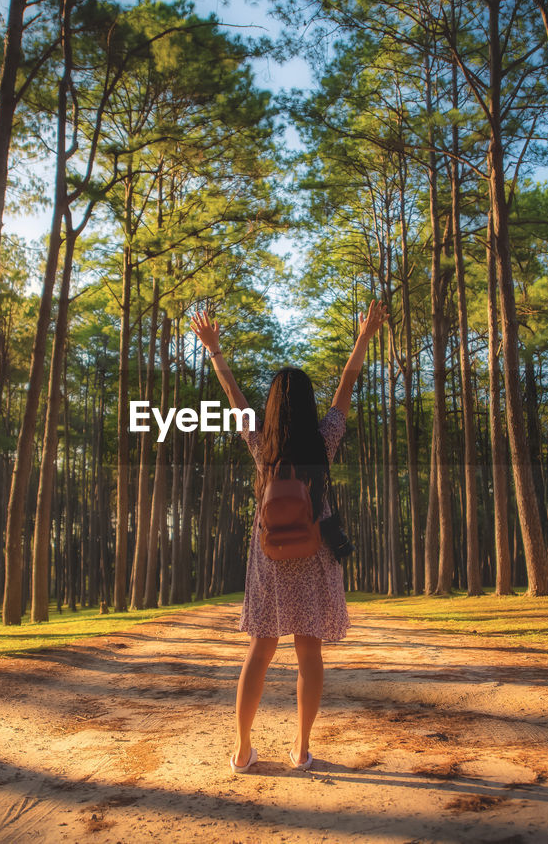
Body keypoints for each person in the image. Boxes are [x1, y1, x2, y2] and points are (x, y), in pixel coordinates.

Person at [188, 300, 388, 775]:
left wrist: (215, 351)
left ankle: (242, 750)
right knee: (308, 650)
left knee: (260, 648)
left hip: (271, 555)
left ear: (274, 405)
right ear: (309, 405)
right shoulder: (325, 439)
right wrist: (362, 337)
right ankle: (300, 749)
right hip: (315, 551)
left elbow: (234, 397)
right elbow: (347, 385)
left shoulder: (261, 443)